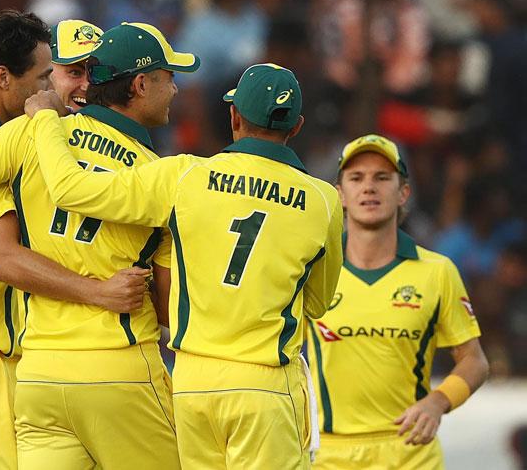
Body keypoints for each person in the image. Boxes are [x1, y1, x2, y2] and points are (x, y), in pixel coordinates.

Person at [0, 22, 200, 469]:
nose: (175, 89)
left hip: (39, 377)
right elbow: (167, 302)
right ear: (139, 84)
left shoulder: (26, 134)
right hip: (117, 369)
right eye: (168, 77)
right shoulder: (165, 174)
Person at [23, 62, 344, 469]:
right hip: (265, 384)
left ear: (234, 117)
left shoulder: (183, 174)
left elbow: (72, 189)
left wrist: (48, 121)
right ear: (296, 127)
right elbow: (316, 304)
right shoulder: (324, 201)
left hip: (194, 385)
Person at [305, 134, 490, 469]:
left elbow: (474, 361)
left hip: (410, 452)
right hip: (329, 455)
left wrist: (438, 402)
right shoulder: (313, 269)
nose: (369, 188)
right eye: (356, 178)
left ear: (404, 192)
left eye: (382, 177)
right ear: (340, 194)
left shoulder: (436, 272)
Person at [48, 19, 103, 111]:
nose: (87, 86)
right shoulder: (23, 124)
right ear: (45, 74)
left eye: (97, 73)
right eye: (75, 73)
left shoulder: (121, 124)